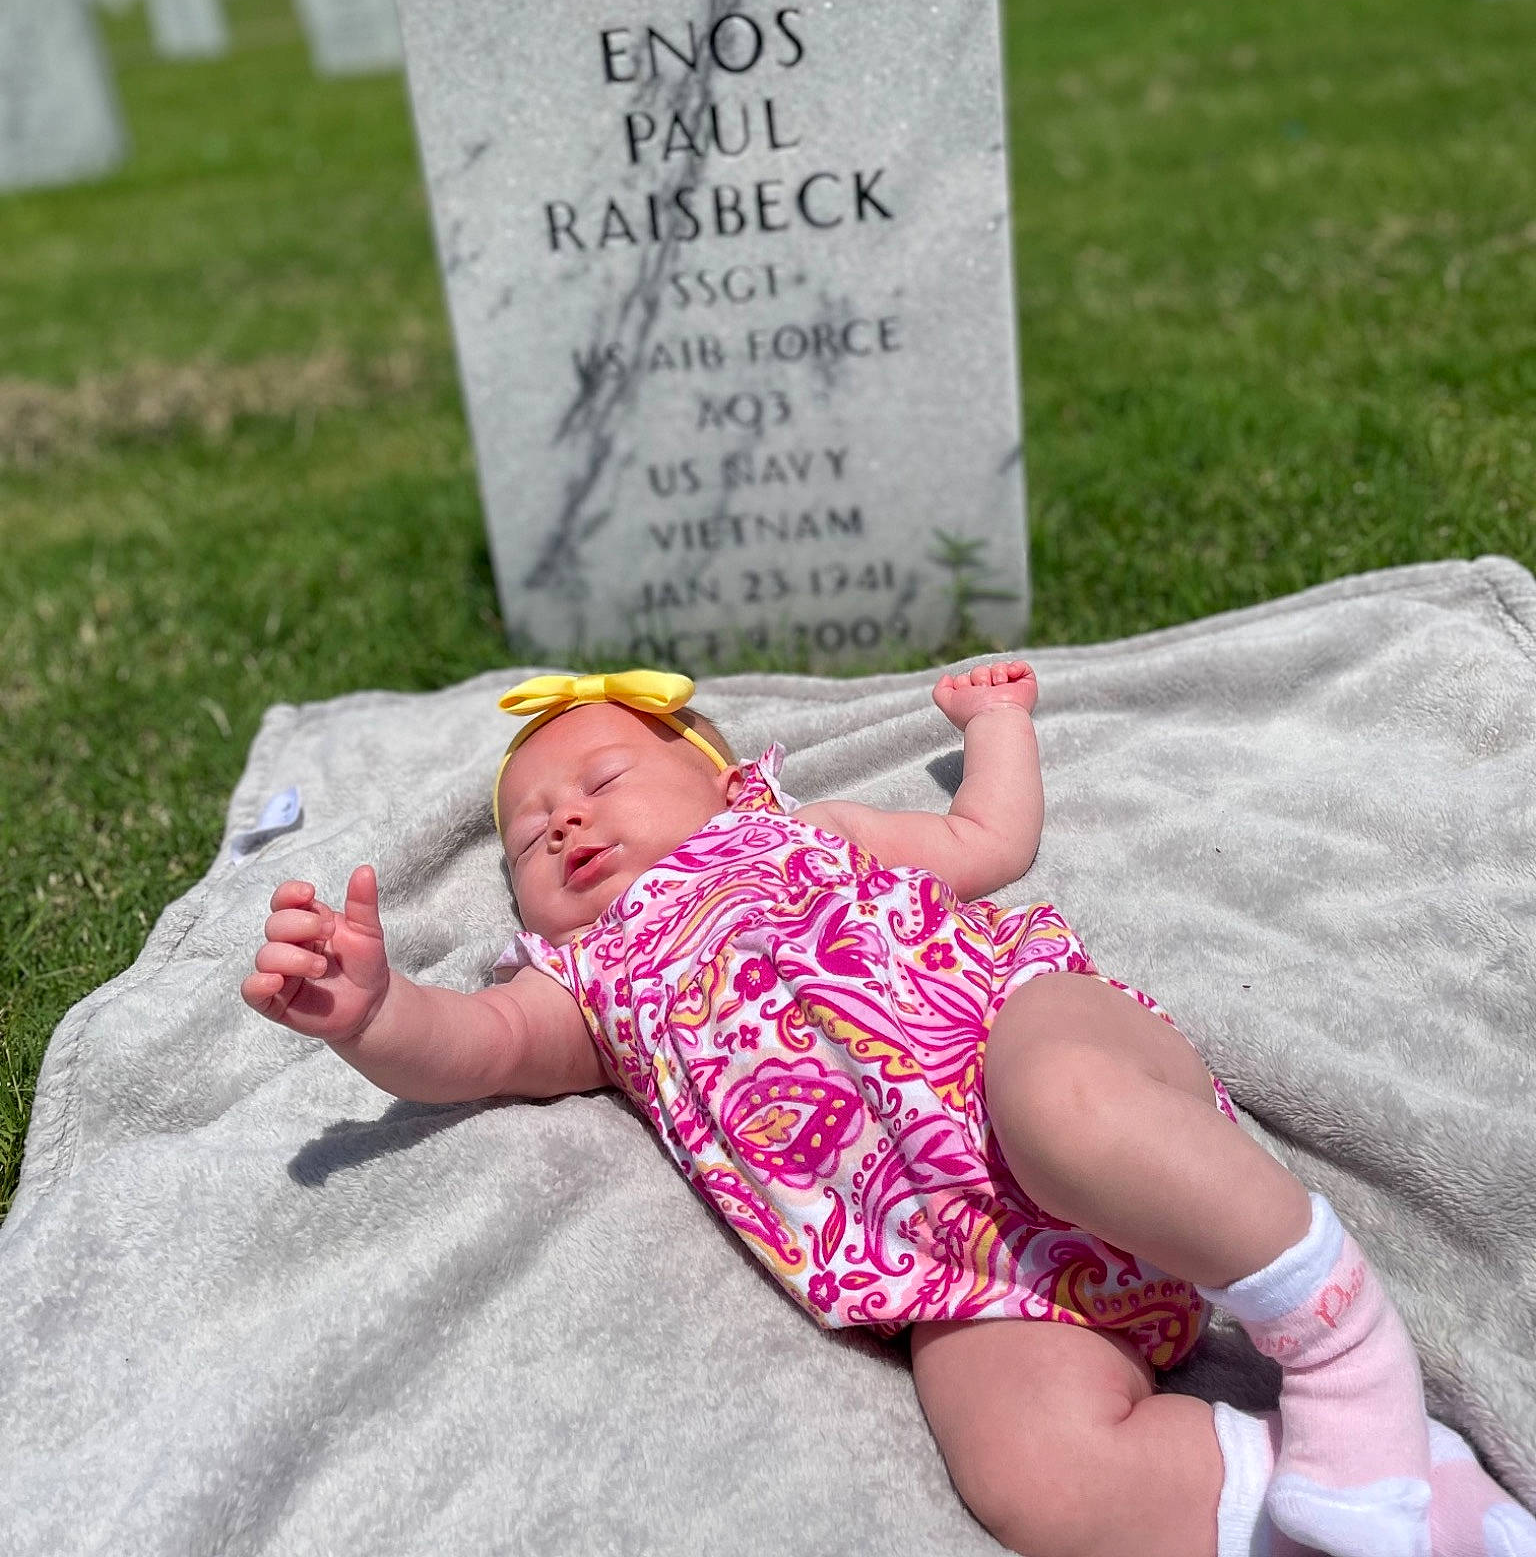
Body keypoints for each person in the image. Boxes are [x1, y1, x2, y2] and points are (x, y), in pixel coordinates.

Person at [242, 665, 1533, 1557]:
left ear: (720, 778)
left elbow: (986, 843)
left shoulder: (795, 832)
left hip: (1023, 1045)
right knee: (1032, 1477)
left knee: (1061, 1108)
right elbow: (471, 1046)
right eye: (530, 835)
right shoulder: (585, 988)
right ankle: (1379, 1505)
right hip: (963, 1274)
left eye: (598, 777)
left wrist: (999, 728)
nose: (564, 817)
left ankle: (1347, 1355)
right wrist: (373, 1015)